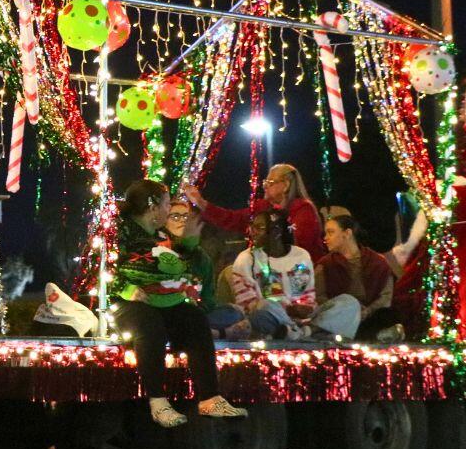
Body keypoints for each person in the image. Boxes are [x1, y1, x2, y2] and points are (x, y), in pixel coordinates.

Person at [111, 179, 247, 428]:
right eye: (165, 204)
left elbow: (178, 261)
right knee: (149, 325)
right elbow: (104, 267)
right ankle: (158, 402)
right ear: (153, 206)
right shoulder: (121, 231)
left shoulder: (161, 236)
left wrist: (191, 241)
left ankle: (210, 397)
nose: (169, 210)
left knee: (193, 318)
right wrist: (127, 288)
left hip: (162, 301)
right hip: (127, 303)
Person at [229, 210, 360, 340]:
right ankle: (307, 333)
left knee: (349, 302)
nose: (253, 232)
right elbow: (247, 305)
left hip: (303, 321)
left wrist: (305, 307)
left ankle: (302, 332)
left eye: (259, 228)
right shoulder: (246, 259)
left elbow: (305, 294)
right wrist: (287, 310)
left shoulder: (300, 256)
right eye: (252, 227)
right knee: (264, 306)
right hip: (272, 317)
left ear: (276, 231)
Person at [185, 163, 326, 260]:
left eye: (270, 183)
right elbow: (233, 219)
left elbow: (297, 247)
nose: (264, 187)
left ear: (286, 185)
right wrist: (202, 203)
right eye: (265, 182)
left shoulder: (303, 210)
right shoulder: (262, 207)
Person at [164, 199, 245, 338]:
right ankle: (218, 333)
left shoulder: (202, 257)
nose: (183, 221)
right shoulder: (160, 252)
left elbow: (209, 299)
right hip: (170, 314)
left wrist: (200, 309)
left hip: (199, 314)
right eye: (176, 216)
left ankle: (202, 330)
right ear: (164, 222)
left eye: (187, 217)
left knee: (233, 313)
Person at [318, 215, 406, 342]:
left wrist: (368, 311)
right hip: (341, 314)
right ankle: (375, 336)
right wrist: (348, 309)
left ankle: (373, 335)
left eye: (331, 232)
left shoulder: (377, 262)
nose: (325, 238)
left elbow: (385, 297)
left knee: (387, 315)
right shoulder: (325, 264)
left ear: (347, 233)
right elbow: (320, 296)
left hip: (369, 314)